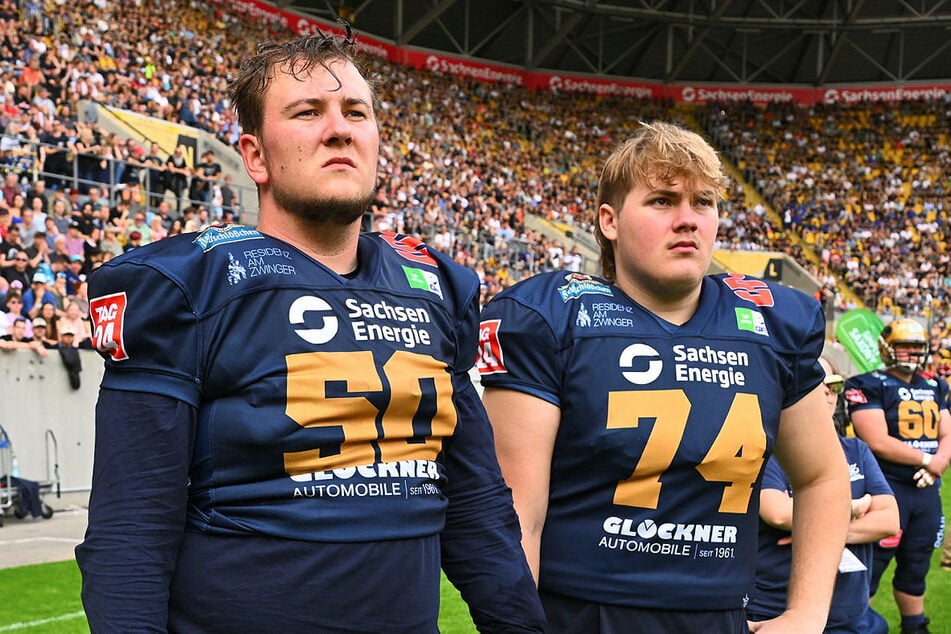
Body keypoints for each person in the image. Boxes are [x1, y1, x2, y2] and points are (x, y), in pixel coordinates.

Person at [75, 28, 545, 633]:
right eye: (307, 112)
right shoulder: (192, 286)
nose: (339, 128)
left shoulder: (434, 288)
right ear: (254, 156)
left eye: (356, 111)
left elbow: (478, 512)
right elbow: (130, 530)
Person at [477, 121, 852, 633]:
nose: (688, 220)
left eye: (703, 202)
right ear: (609, 221)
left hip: (719, 614)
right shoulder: (554, 317)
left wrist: (808, 613)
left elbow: (821, 476)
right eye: (662, 201)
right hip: (580, 615)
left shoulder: (769, 323)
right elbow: (518, 512)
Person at [748, 357, 899, 633]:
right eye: (818, 381)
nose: (828, 391)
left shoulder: (856, 450)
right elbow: (777, 512)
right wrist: (854, 509)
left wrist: (817, 529)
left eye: (835, 384)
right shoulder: (767, 451)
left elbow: (889, 520)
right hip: (776, 612)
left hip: (849, 611)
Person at [844, 319, 950, 634]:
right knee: (870, 564)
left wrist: (938, 463)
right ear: (887, 348)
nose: (911, 352)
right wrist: (930, 460)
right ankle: (856, 625)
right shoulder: (867, 383)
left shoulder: (935, 384)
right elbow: (876, 440)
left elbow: (947, 432)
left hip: (926, 490)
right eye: (905, 345)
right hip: (885, 488)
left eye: (917, 347)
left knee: (917, 564)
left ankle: (915, 627)